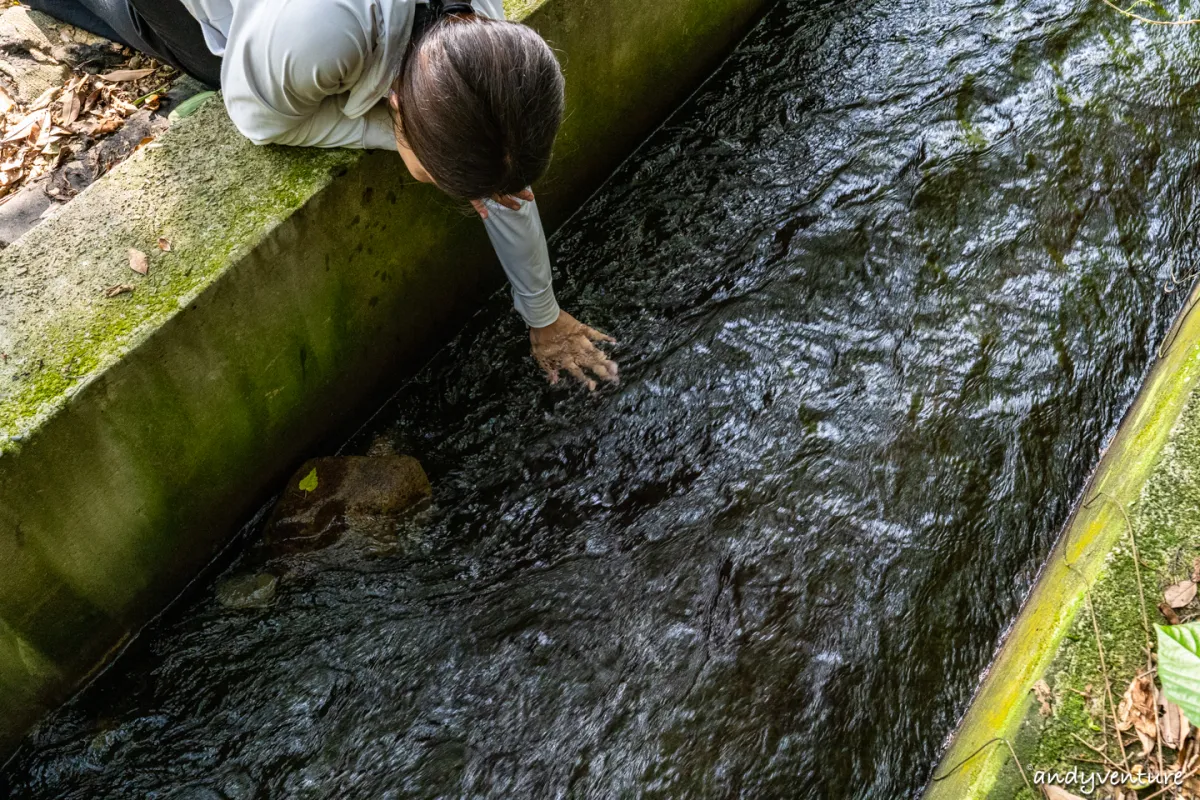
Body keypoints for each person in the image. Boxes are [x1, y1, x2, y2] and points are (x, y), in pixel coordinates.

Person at [25, 0, 620, 390]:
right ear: (397, 108)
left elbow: (503, 180)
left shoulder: (483, 40)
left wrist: (544, 317)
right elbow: (258, 120)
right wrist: (389, 138)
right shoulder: (318, 37)